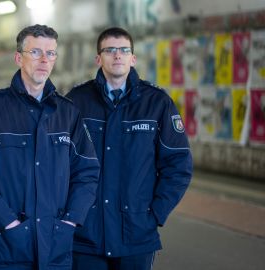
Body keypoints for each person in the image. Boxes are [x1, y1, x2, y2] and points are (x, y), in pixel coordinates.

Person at [0, 24, 100, 270]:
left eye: (51, 53)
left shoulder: (68, 113)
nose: (44, 60)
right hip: (5, 246)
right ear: (18, 57)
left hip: (55, 247)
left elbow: (87, 172)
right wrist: (9, 222)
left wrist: (70, 222)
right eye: (35, 52)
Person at [66, 27, 193, 270]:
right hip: (86, 235)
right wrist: (72, 215)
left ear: (133, 58)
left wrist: (155, 214)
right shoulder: (77, 101)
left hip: (137, 234)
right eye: (110, 50)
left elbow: (178, 165)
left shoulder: (157, 103)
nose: (117, 55)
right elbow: (59, 163)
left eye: (124, 50)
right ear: (98, 58)